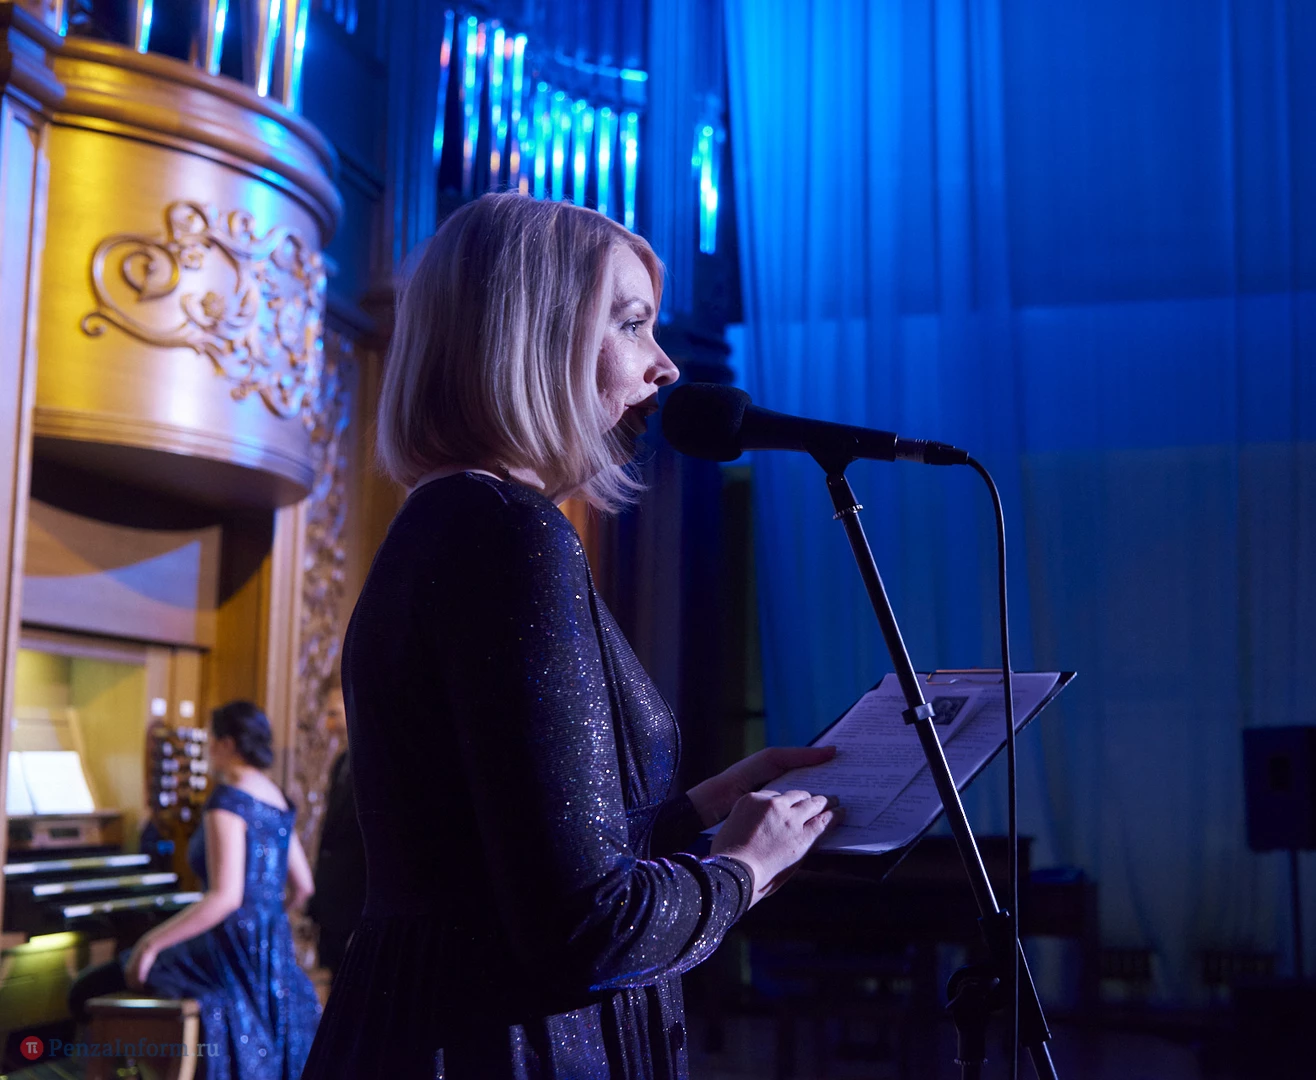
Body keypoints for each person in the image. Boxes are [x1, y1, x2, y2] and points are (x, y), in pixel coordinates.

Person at [299, 193, 842, 1079]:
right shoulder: (510, 535)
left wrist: (699, 810)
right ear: (532, 335)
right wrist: (743, 868)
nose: (666, 365)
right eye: (630, 323)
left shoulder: (448, 521)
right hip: (496, 1046)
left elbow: (495, 860)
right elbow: (585, 929)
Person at [68, 701, 321, 1079]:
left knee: (84, 990)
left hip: (225, 951)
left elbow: (226, 897)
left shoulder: (228, 799)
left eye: (210, 740)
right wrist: (266, 921)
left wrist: (150, 944)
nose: (207, 750)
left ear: (227, 744)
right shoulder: (278, 798)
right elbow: (303, 887)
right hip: (271, 952)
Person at [306, 682, 365, 973]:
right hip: (331, 902)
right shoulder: (341, 761)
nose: (328, 724)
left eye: (334, 714)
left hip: (355, 904)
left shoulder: (371, 763)